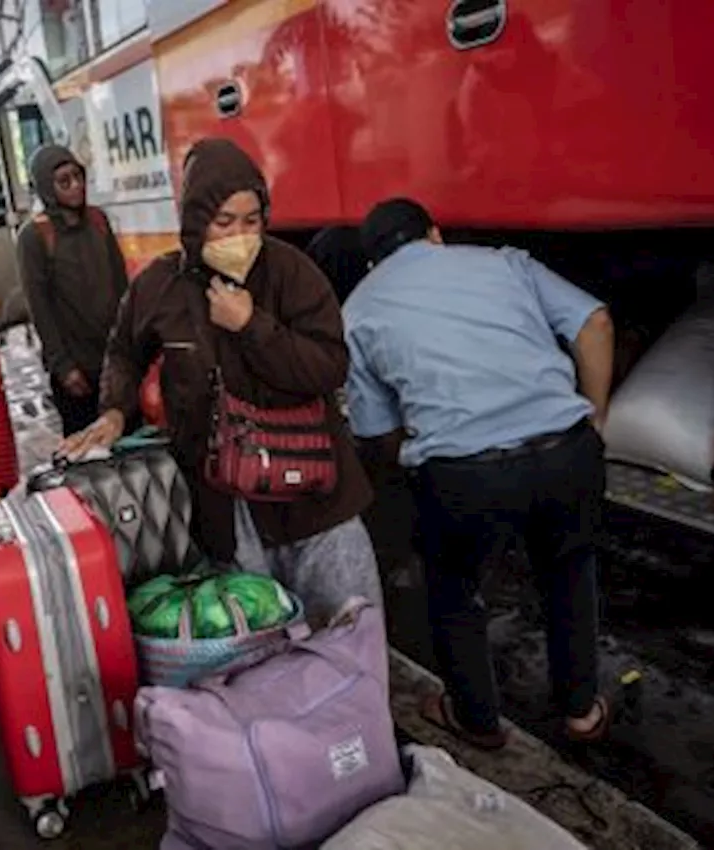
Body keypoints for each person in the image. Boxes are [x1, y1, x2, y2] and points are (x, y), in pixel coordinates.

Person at [62, 138, 384, 623]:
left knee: (348, 634)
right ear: (194, 221)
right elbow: (124, 351)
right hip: (227, 510)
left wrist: (252, 325)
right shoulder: (160, 285)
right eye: (224, 222)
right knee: (261, 646)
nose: (240, 235)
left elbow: (328, 366)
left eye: (251, 221)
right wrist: (114, 409)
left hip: (315, 503)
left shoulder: (293, 273)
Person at [343, 197, 615, 750]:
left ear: (372, 263)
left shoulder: (359, 308)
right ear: (434, 234)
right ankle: (581, 711)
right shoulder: (505, 262)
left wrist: (417, 458)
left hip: (466, 476)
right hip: (564, 449)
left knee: (453, 588)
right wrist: (596, 414)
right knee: (569, 573)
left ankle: (476, 719)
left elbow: (375, 431)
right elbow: (595, 320)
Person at [17, 145, 130, 436]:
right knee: (88, 454)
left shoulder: (98, 221)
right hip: (76, 369)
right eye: (64, 182)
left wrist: (131, 348)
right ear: (46, 187)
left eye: (78, 177)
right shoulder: (34, 236)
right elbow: (39, 307)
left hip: (114, 361)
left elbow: (121, 286)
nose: (76, 187)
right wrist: (63, 366)